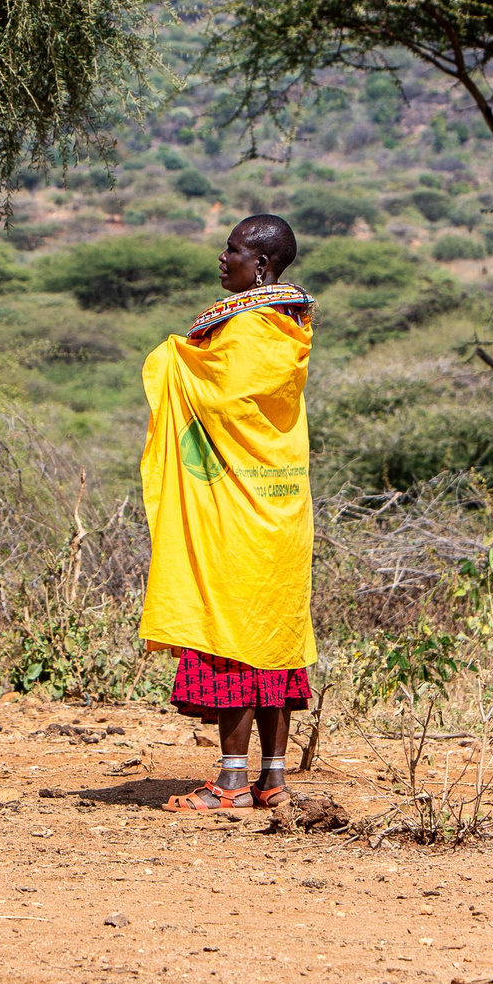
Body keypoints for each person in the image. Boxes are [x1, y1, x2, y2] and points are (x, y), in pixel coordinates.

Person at [139, 214, 316, 811]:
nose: (223, 258)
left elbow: (221, 398)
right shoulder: (287, 328)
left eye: (234, 250)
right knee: (272, 641)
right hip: (282, 510)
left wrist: (173, 357)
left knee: (233, 640)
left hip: (238, 517)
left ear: (261, 266)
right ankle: (272, 780)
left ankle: (232, 782)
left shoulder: (248, 333)